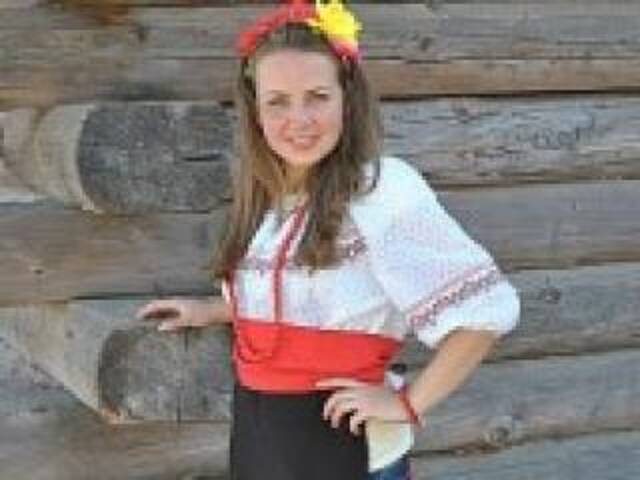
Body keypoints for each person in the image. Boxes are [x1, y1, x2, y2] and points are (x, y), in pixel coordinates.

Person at [136, 1, 521, 479]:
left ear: (347, 99)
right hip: (265, 445)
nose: (298, 118)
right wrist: (210, 311)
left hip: (346, 451)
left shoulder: (379, 190)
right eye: (278, 101)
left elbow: (483, 313)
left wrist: (408, 403)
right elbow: (310, 305)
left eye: (317, 96)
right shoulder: (272, 203)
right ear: (255, 112)